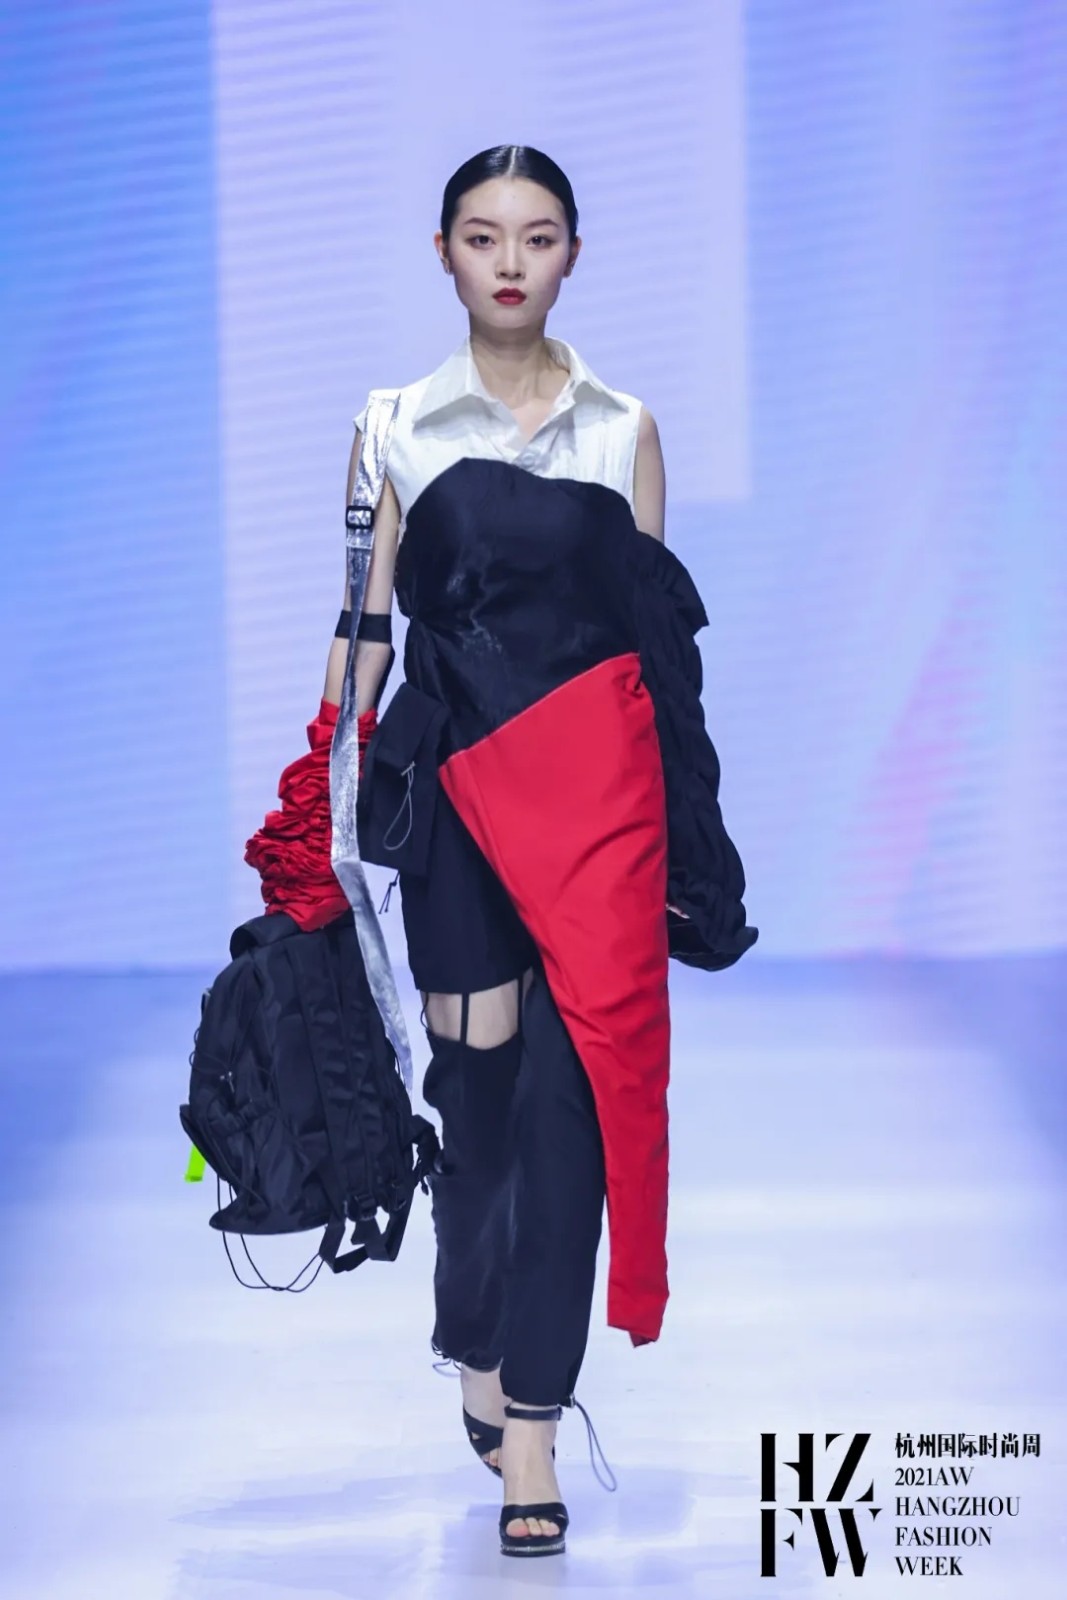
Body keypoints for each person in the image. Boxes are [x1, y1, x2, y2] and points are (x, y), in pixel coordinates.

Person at [311, 144, 757, 1559]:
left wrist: (691, 840)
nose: (511, 260)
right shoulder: (393, 425)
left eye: (540, 235)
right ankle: (474, 1330)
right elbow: (363, 628)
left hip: (602, 815)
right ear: (443, 251)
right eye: (484, 235)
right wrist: (318, 796)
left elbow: (656, 653)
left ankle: (534, 1434)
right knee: (483, 1104)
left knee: (576, 1112)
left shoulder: (624, 428)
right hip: (457, 800)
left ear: (573, 252)